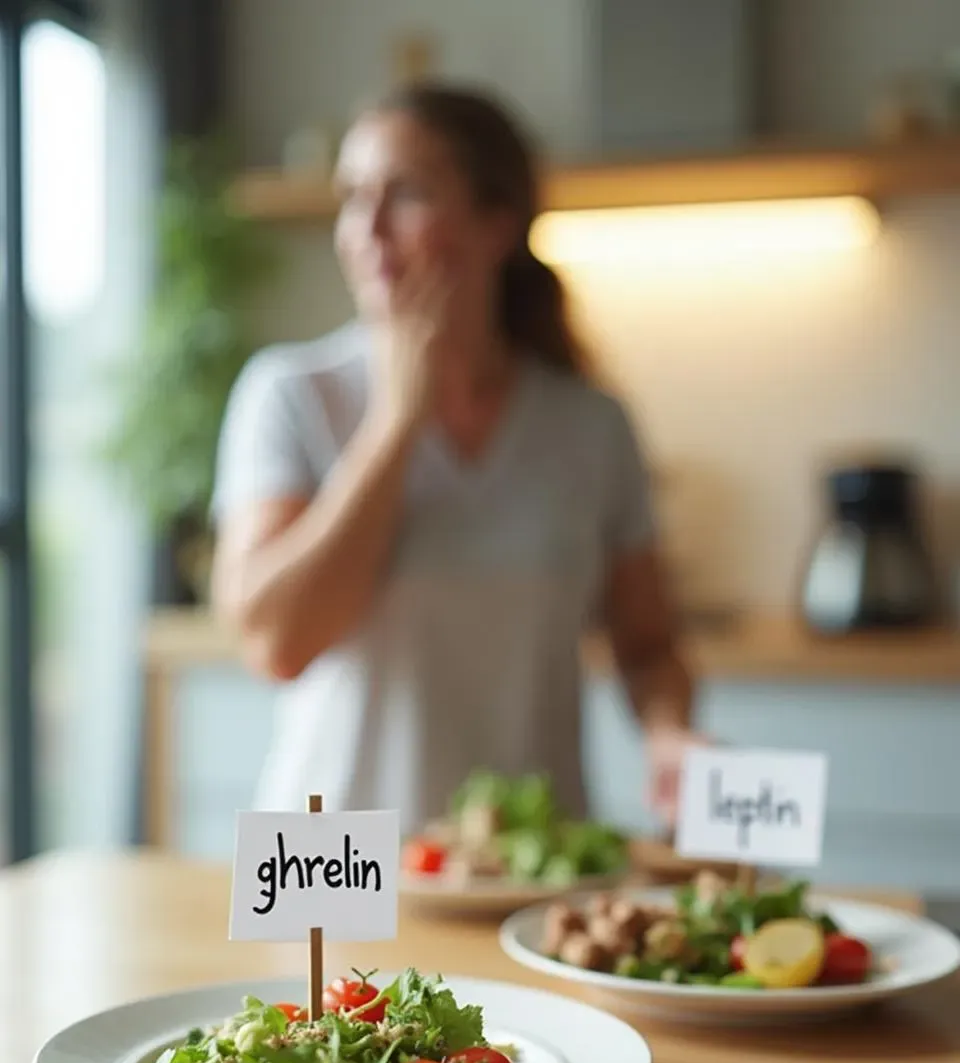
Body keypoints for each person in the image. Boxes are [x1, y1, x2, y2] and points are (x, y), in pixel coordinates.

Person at [210, 80, 698, 835]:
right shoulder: (289, 395)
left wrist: (670, 733)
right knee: (331, 966)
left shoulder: (591, 426)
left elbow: (649, 647)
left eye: (404, 194)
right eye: (350, 197)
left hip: (526, 865)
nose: (365, 229)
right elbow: (276, 642)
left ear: (498, 222)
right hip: (331, 862)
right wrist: (398, 421)